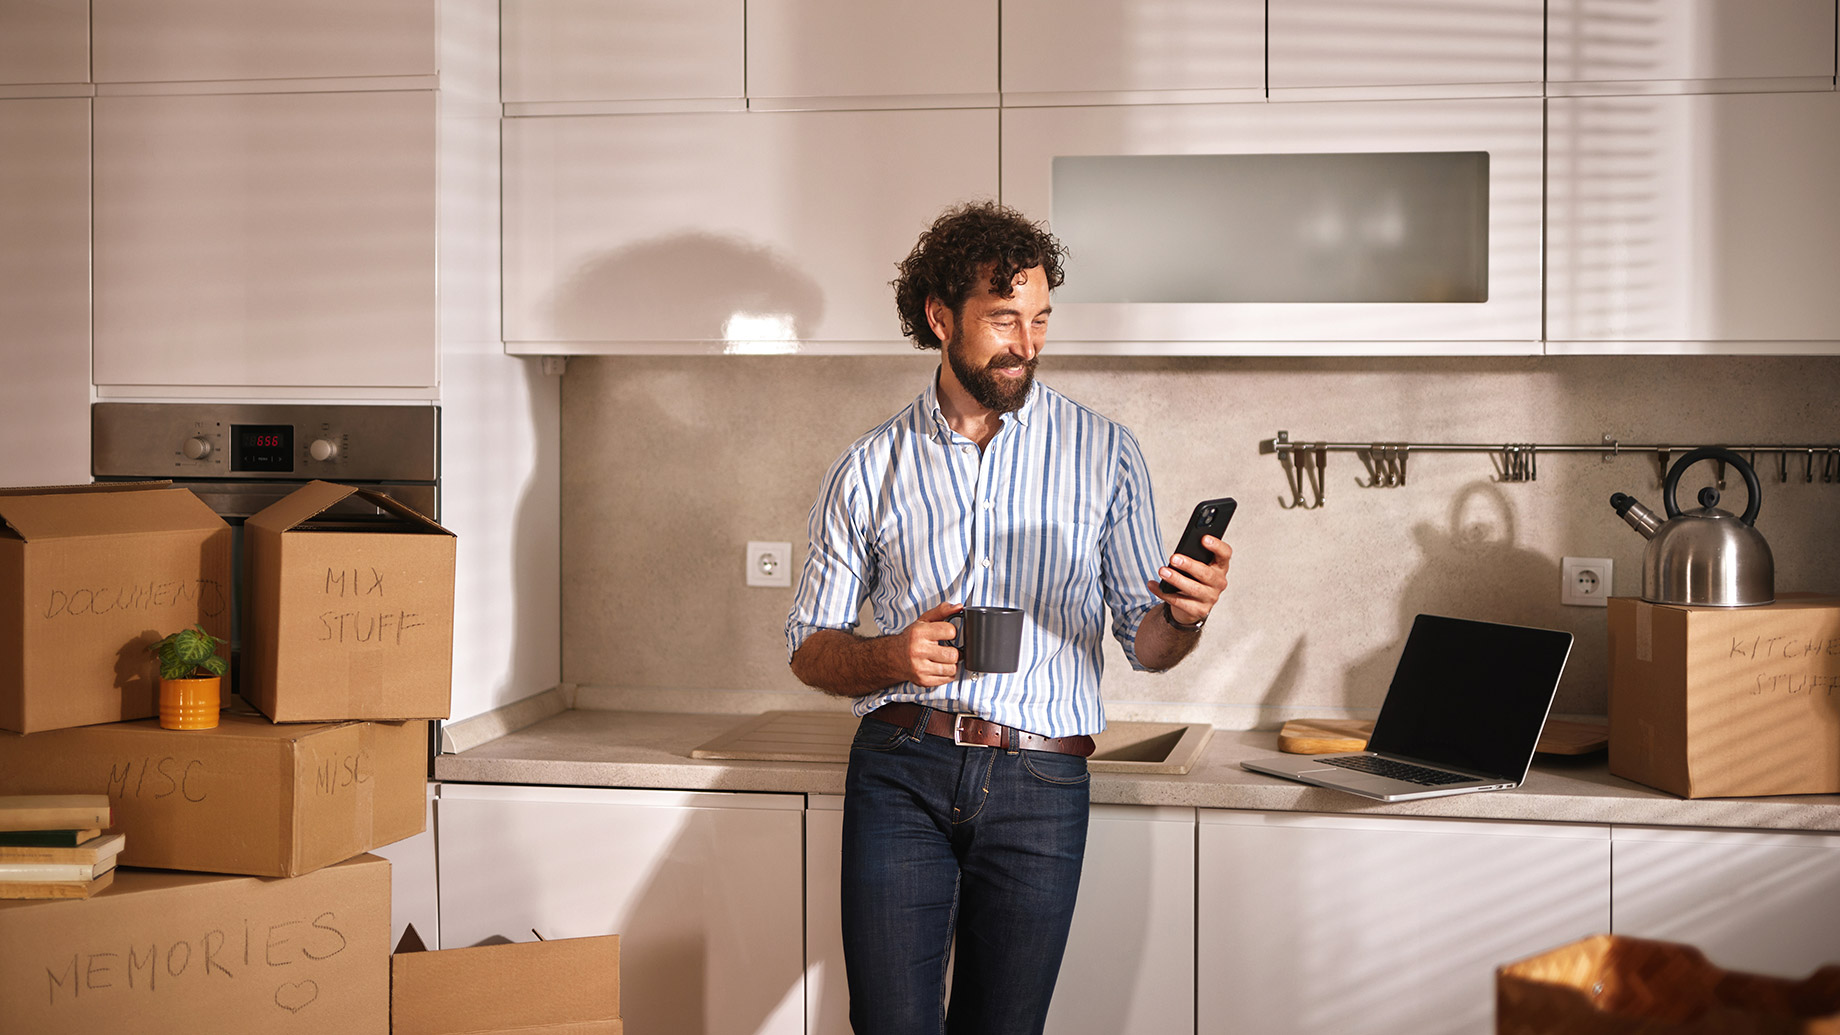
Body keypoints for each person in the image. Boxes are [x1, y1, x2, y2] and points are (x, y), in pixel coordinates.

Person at [785, 200, 1231, 1035]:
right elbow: (809, 647)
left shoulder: (1105, 452)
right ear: (939, 317)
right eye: (1002, 319)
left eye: (1040, 319)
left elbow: (1147, 640)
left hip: (1041, 781)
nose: (1026, 342)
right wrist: (892, 655)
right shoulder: (869, 466)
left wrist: (1186, 615)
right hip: (901, 769)